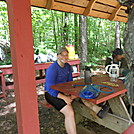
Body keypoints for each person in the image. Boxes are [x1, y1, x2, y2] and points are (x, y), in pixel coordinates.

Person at [44, 46, 77, 134]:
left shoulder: (68, 67)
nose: (64, 57)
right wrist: (64, 97)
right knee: (69, 112)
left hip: (62, 91)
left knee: (82, 97)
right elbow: (50, 89)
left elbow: (70, 82)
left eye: (66, 55)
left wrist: (72, 93)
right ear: (57, 56)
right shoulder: (52, 68)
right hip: (51, 94)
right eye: (62, 55)